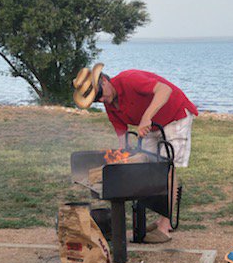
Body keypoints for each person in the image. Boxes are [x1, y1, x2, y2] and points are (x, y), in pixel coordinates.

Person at [73, 63, 198, 243]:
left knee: (166, 168)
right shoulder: (110, 105)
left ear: (104, 81)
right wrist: (124, 159)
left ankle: (165, 226)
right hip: (152, 125)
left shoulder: (129, 79)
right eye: (95, 100)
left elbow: (165, 90)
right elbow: (122, 138)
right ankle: (159, 218)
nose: (101, 100)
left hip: (175, 116)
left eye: (99, 94)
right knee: (146, 167)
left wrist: (147, 117)